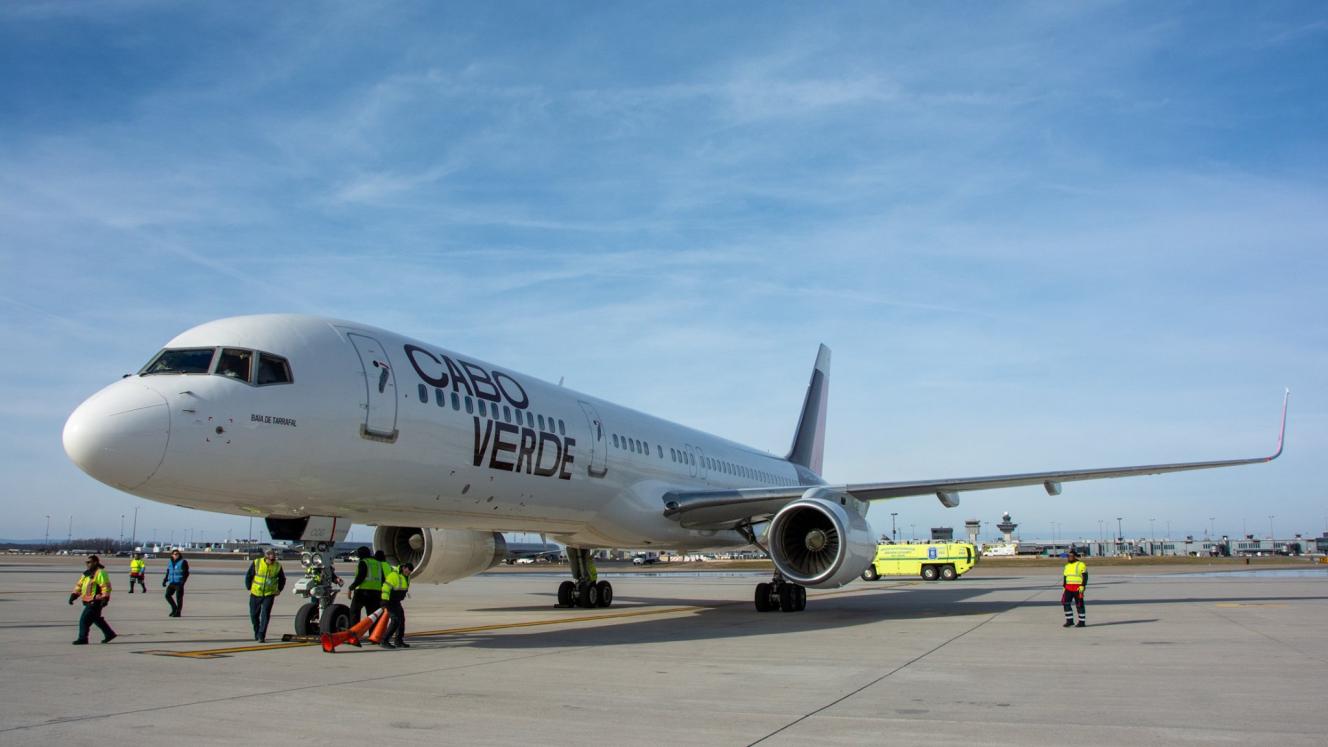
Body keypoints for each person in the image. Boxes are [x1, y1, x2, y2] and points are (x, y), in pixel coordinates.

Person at [70, 555, 116, 645]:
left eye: (89, 562)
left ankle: (83, 638)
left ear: (95, 562)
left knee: (84, 620)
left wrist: (105, 598)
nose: (87, 564)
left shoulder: (100, 573)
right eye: (86, 562)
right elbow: (79, 585)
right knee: (96, 619)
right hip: (87, 601)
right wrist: (74, 595)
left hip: (96, 601)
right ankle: (109, 634)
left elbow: (106, 586)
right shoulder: (86, 573)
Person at [245, 548, 286, 642]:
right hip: (255, 593)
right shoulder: (257, 563)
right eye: (271, 559)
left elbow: (282, 579)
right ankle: (257, 632)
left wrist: (279, 589)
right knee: (254, 615)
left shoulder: (277, 566)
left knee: (265, 615)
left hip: (269, 594)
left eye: (274, 559)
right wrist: (248, 587)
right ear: (266, 557)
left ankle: (261, 635)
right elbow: (249, 575)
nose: (272, 561)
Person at [379, 561, 414, 649]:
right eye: (407, 571)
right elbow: (386, 588)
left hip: (397, 601)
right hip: (389, 601)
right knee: (395, 620)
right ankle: (384, 641)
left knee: (401, 620)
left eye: (409, 573)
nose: (407, 573)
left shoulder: (407, 577)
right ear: (404, 568)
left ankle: (398, 641)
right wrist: (384, 601)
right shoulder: (393, 575)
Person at [346, 546, 383, 623]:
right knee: (373, 616)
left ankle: (355, 632)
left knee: (354, 612)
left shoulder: (364, 562)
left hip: (362, 592)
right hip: (376, 593)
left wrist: (351, 587)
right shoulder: (378, 563)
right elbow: (383, 579)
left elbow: (361, 577)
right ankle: (373, 634)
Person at [1061, 550, 1088, 628]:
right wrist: (1064, 586)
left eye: (1071, 556)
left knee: (1079, 605)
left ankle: (1082, 622)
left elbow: (1085, 576)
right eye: (1068, 556)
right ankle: (1069, 621)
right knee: (1066, 604)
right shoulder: (1067, 566)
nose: (1069, 557)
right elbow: (1065, 577)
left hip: (1078, 587)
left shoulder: (1081, 564)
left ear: (1075, 556)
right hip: (1068, 587)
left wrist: (1083, 585)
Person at [162, 548, 190, 617]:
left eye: (177, 554)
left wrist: (183, 582)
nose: (176, 555)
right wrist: (165, 580)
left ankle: (178, 612)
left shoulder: (183, 562)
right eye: (175, 554)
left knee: (179, 598)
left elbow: (186, 573)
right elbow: (168, 572)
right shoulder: (170, 562)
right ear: (172, 555)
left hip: (179, 582)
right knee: (167, 595)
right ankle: (174, 608)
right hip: (172, 582)